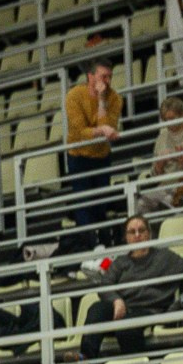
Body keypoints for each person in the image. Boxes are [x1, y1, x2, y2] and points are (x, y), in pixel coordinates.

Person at [80, 215, 183, 362]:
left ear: (149, 234)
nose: (137, 235)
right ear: (126, 237)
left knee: (126, 328)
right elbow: (105, 284)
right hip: (124, 309)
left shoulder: (164, 257)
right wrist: (116, 300)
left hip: (150, 309)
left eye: (141, 230)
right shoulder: (121, 262)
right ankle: (85, 358)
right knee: (97, 309)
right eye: (132, 232)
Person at [63, 59, 125, 241]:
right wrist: (101, 130)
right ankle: (87, 244)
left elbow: (109, 128)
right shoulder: (74, 96)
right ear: (90, 76)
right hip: (79, 156)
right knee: (83, 203)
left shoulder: (114, 98)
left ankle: (104, 243)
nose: (107, 81)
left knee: (100, 204)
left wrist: (101, 100)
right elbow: (79, 131)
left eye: (110, 77)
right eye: (103, 76)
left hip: (102, 156)